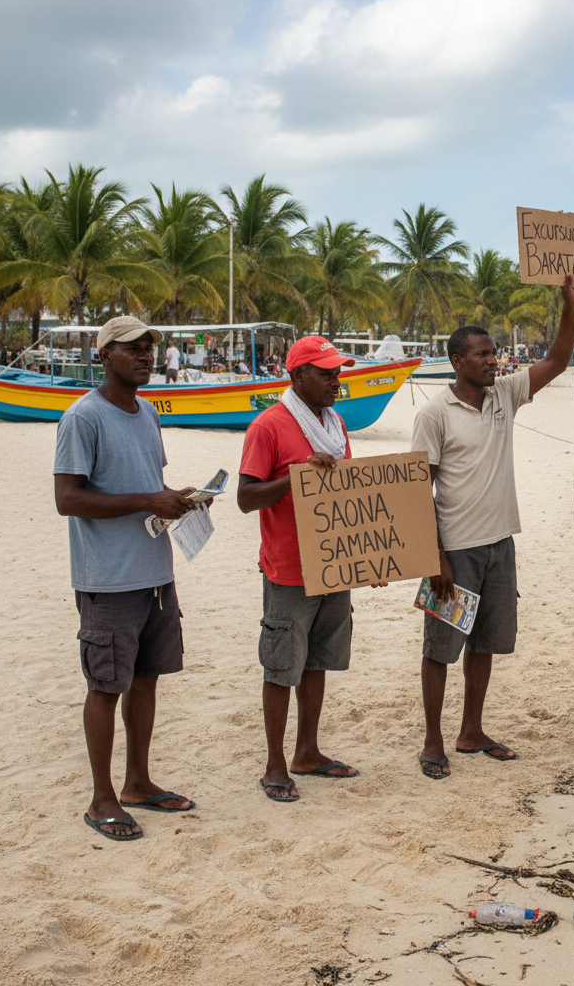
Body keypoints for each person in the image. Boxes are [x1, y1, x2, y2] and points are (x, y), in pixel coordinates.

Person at [410, 275, 574, 779]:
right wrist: (434, 556)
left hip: (500, 544)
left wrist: (568, 305)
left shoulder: (505, 394)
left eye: (494, 352)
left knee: (486, 643)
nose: (492, 360)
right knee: (441, 648)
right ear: (457, 361)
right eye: (481, 354)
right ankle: (434, 740)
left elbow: (558, 360)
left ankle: (472, 730)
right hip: (455, 550)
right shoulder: (434, 414)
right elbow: (420, 489)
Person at [53, 316, 202, 841]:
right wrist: (148, 499)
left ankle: (137, 782)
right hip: (109, 578)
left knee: (146, 679)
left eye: (148, 349)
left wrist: (174, 499)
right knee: (105, 686)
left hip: (154, 573)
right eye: (131, 349)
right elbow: (67, 499)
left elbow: (146, 483)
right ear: (104, 356)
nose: (144, 356)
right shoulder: (83, 417)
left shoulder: (147, 414)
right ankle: (102, 799)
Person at [237, 336, 365, 801]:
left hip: (332, 565)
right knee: (281, 666)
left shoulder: (335, 425)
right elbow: (245, 499)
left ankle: (307, 751)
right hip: (289, 568)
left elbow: (348, 496)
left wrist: (363, 556)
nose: (337, 379)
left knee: (317, 662)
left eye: (338, 371)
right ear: (298, 376)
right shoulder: (269, 426)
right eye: (327, 372)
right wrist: (293, 477)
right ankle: (275, 764)